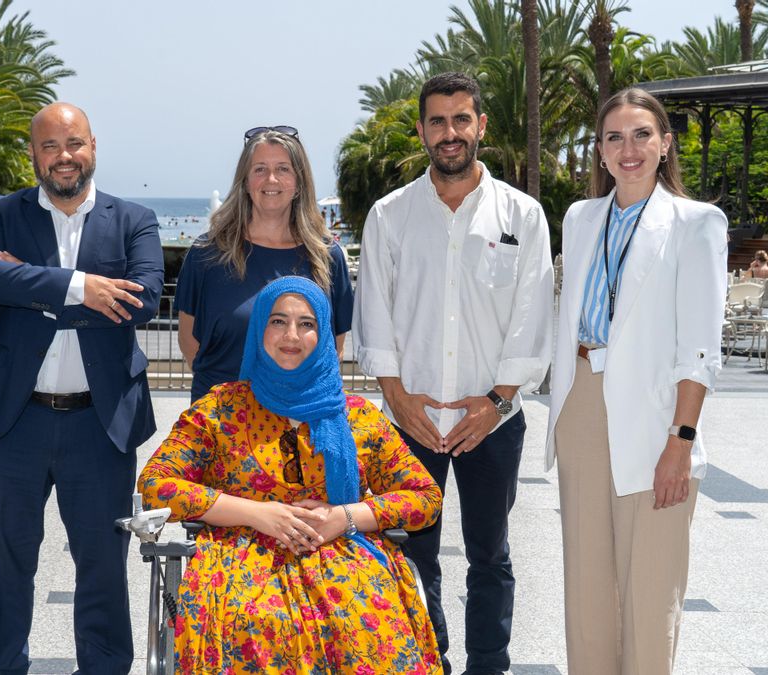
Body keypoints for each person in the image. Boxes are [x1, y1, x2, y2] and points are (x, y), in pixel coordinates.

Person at [352, 71, 553, 675]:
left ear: (480, 126)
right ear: (421, 130)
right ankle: (427, 661)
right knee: (414, 555)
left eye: (461, 119)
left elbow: (532, 316)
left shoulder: (523, 214)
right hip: (409, 420)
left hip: (493, 421)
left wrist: (496, 402)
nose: (450, 133)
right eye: (437, 121)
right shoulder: (390, 215)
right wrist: (398, 399)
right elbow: (374, 313)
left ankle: (489, 665)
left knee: (490, 555)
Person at [139, 276, 443, 674]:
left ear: (324, 334)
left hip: (343, 553)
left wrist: (345, 517)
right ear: (259, 329)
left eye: (307, 324)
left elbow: (425, 497)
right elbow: (156, 485)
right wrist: (257, 514)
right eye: (278, 321)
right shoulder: (222, 409)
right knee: (253, 623)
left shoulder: (358, 417)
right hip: (240, 558)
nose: (292, 336)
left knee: (367, 623)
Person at [0, 102, 164, 675]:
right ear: (33, 153)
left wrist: (29, 288)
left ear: (93, 146)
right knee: (3, 566)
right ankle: (1, 667)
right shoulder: (0, 211)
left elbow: (144, 300)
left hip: (100, 425)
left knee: (102, 566)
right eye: (49, 146)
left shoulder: (134, 219)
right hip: (13, 422)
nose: (63, 157)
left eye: (73, 143)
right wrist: (79, 288)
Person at [546, 88, 726, 674]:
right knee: (587, 587)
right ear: (600, 151)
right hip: (581, 401)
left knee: (651, 588)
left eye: (642, 134)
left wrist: (681, 441)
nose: (629, 149)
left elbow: (699, 348)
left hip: (655, 416)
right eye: (615, 137)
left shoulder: (697, 223)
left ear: (665, 143)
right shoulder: (580, 219)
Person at [176, 126, 353, 402]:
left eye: (283, 169)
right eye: (260, 169)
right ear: (245, 182)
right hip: (222, 417)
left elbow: (334, 347)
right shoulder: (207, 254)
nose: (271, 179)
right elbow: (189, 342)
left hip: (300, 415)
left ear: (299, 182)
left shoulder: (327, 256)